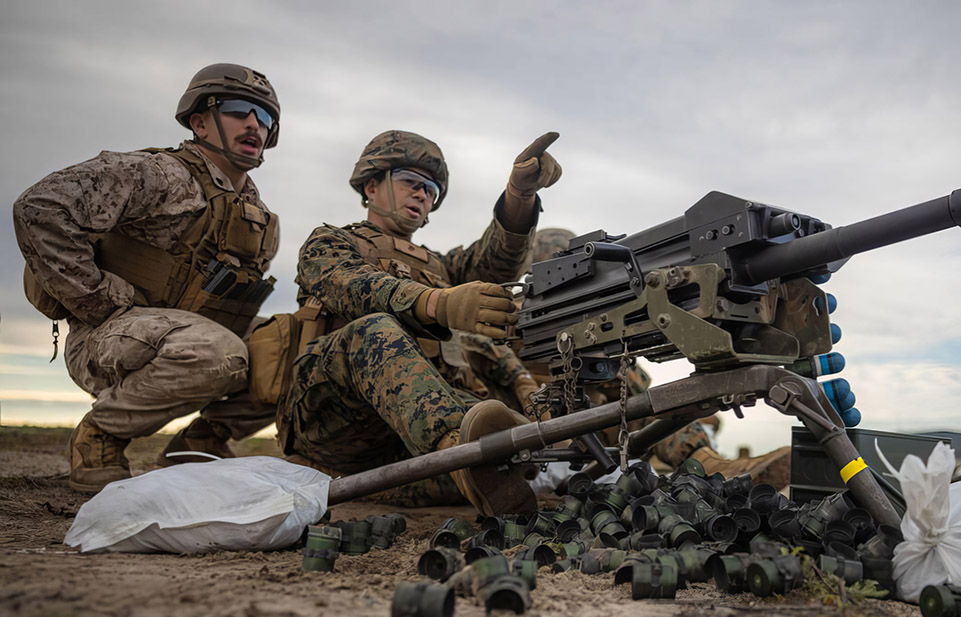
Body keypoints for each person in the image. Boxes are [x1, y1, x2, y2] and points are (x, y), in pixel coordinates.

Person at [13, 63, 283, 494]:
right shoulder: (158, 174)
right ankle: (99, 438)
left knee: (297, 346)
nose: (254, 123)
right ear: (200, 122)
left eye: (265, 118)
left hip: (189, 337)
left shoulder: (258, 217)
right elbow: (40, 208)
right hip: (108, 335)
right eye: (237, 110)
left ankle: (199, 444)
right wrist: (98, 299)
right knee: (219, 352)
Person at [275, 130, 560, 515]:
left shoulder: (440, 266)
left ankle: (456, 468)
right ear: (371, 186)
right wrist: (437, 303)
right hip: (333, 420)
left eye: (431, 190)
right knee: (375, 330)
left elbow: (495, 264)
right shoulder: (330, 242)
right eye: (411, 182)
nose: (423, 195)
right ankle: (460, 457)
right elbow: (356, 287)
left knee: (501, 429)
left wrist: (519, 197)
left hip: (403, 436)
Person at [520, 228, 793, 490]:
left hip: (604, 438)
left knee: (648, 403)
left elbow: (641, 400)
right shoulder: (520, 335)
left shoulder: (594, 332)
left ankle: (704, 461)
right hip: (540, 439)